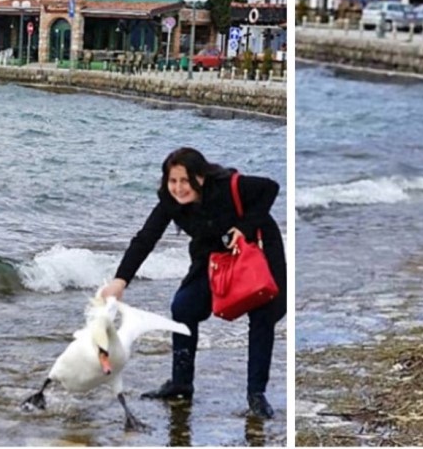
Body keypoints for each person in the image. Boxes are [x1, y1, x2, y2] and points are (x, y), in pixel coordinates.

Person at [99, 147, 286, 419]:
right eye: (172, 181)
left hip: (256, 251)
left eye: (184, 180)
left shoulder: (225, 186)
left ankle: (256, 394)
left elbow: (270, 187)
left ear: (200, 176)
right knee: (184, 307)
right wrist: (120, 279)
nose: (178, 188)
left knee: (262, 314)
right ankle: (181, 384)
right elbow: (145, 239)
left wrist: (244, 228)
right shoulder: (169, 201)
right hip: (211, 256)